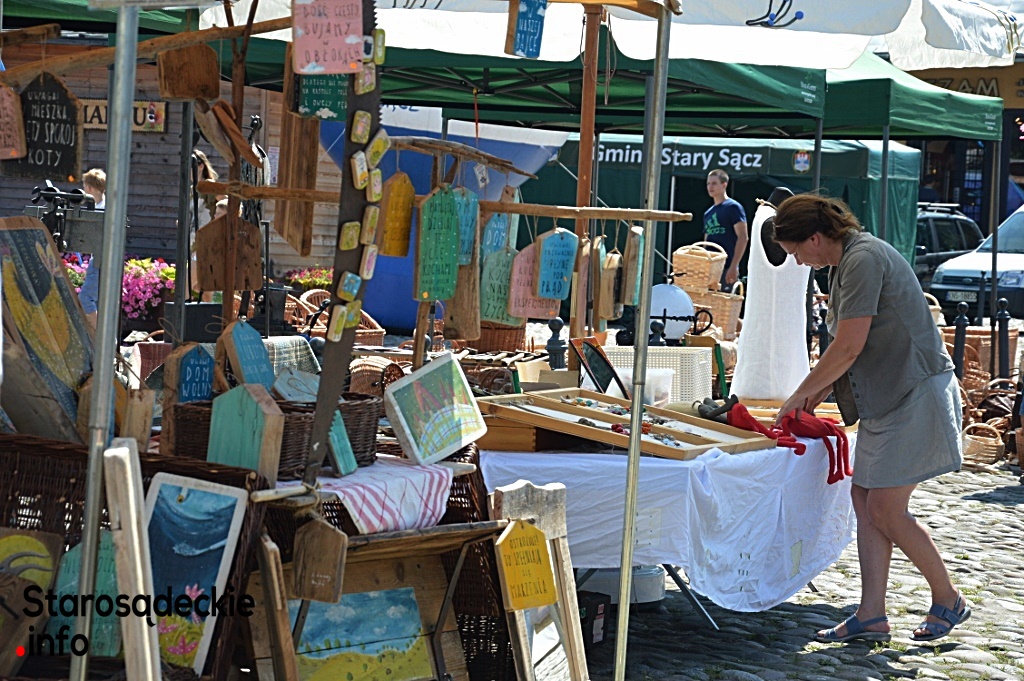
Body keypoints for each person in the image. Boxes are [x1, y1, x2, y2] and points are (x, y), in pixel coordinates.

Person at [771, 194, 970, 644]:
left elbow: (848, 347)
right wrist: (808, 399)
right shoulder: (844, 264)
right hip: (888, 400)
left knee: (885, 508)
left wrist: (800, 396)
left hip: (914, 393)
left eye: (796, 251)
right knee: (864, 501)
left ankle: (948, 599)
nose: (798, 261)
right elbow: (845, 351)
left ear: (815, 238)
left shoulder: (862, 258)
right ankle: (872, 614)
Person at [703, 169, 748, 289]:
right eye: (708, 183)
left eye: (714, 183)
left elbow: (743, 237)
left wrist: (734, 266)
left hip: (727, 268)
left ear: (724, 185)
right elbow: (706, 241)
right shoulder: (708, 213)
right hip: (710, 269)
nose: (710, 187)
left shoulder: (733, 207)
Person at [78, 168, 106, 327]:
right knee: (100, 301)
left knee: (85, 299)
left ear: (88, 187)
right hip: (102, 259)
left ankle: (101, 336)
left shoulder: (101, 210)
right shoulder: (104, 206)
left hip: (101, 259)